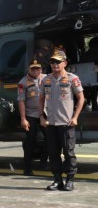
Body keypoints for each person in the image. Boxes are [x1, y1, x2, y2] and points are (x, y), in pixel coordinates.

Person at [40, 50, 84, 191]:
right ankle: (57, 180)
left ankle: (70, 180)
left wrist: (75, 117)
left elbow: (81, 98)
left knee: (69, 153)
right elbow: (40, 99)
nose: (55, 64)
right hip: (51, 123)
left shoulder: (72, 78)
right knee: (53, 153)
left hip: (66, 123)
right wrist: (42, 116)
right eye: (52, 62)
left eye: (58, 62)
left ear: (65, 63)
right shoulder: (46, 80)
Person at [17, 59, 48, 176]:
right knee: (30, 141)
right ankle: (27, 168)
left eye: (38, 68)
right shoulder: (23, 82)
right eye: (33, 68)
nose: (36, 71)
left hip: (45, 113)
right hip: (31, 115)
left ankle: (44, 162)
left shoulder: (47, 78)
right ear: (28, 69)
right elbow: (21, 101)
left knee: (50, 138)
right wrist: (23, 119)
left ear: (41, 69)